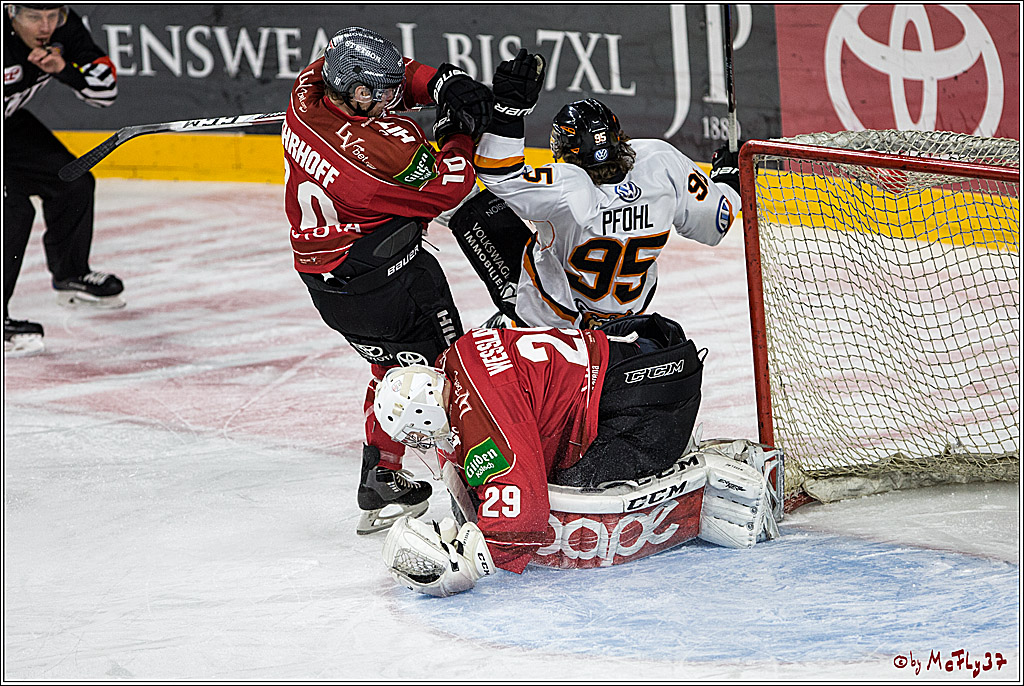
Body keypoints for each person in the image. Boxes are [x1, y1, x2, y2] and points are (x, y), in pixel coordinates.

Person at [372, 313, 783, 597]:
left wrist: (476, 559)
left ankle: (728, 472)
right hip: (646, 357)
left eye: (416, 433)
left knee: (574, 489)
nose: (422, 443)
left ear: (424, 413)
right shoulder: (455, 358)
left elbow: (524, 514)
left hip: (648, 396)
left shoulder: (479, 413)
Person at [282, 26, 494, 535]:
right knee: (453, 372)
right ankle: (486, 489)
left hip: (327, 285)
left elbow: (395, 71)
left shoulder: (306, 94)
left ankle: (381, 476)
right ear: (354, 92)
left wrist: (439, 83)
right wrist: (459, 130)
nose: (391, 96)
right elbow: (450, 188)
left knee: (391, 362)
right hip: (389, 279)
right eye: (378, 93)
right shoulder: (383, 157)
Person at [451, 49, 743, 329]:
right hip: (625, 317)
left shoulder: (567, 186)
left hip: (555, 321)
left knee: (472, 203)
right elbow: (714, 225)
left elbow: (498, 175)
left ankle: (510, 324)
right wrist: (729, 181)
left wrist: (508, 113)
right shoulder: (661, 161)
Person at [4, 3, 122, 356]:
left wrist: (65, 70)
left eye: (52, 15)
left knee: (72, 179)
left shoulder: (64, 29)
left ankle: (71, 274)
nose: (46, 26)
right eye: (34, 17)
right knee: (12, 211)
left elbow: (106, 92)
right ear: (10, 12)